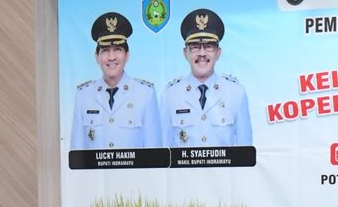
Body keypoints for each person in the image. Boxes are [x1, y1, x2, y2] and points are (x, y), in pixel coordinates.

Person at [69, 12, 159, 150]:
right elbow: (77, 152)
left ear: (127, 55)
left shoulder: (145, 94)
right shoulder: (84, 96)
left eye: (117, 49)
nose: (111, 57)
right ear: (96, 56)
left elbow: (155, 151)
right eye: (105, 50)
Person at [164, 9, 251, 147]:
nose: (202, 53)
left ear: (218, 53)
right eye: (195, 47)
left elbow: (245, 151)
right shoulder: (170, 95)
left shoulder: (236, 93)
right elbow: (163, 152)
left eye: (209, 46)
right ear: (185, 53)